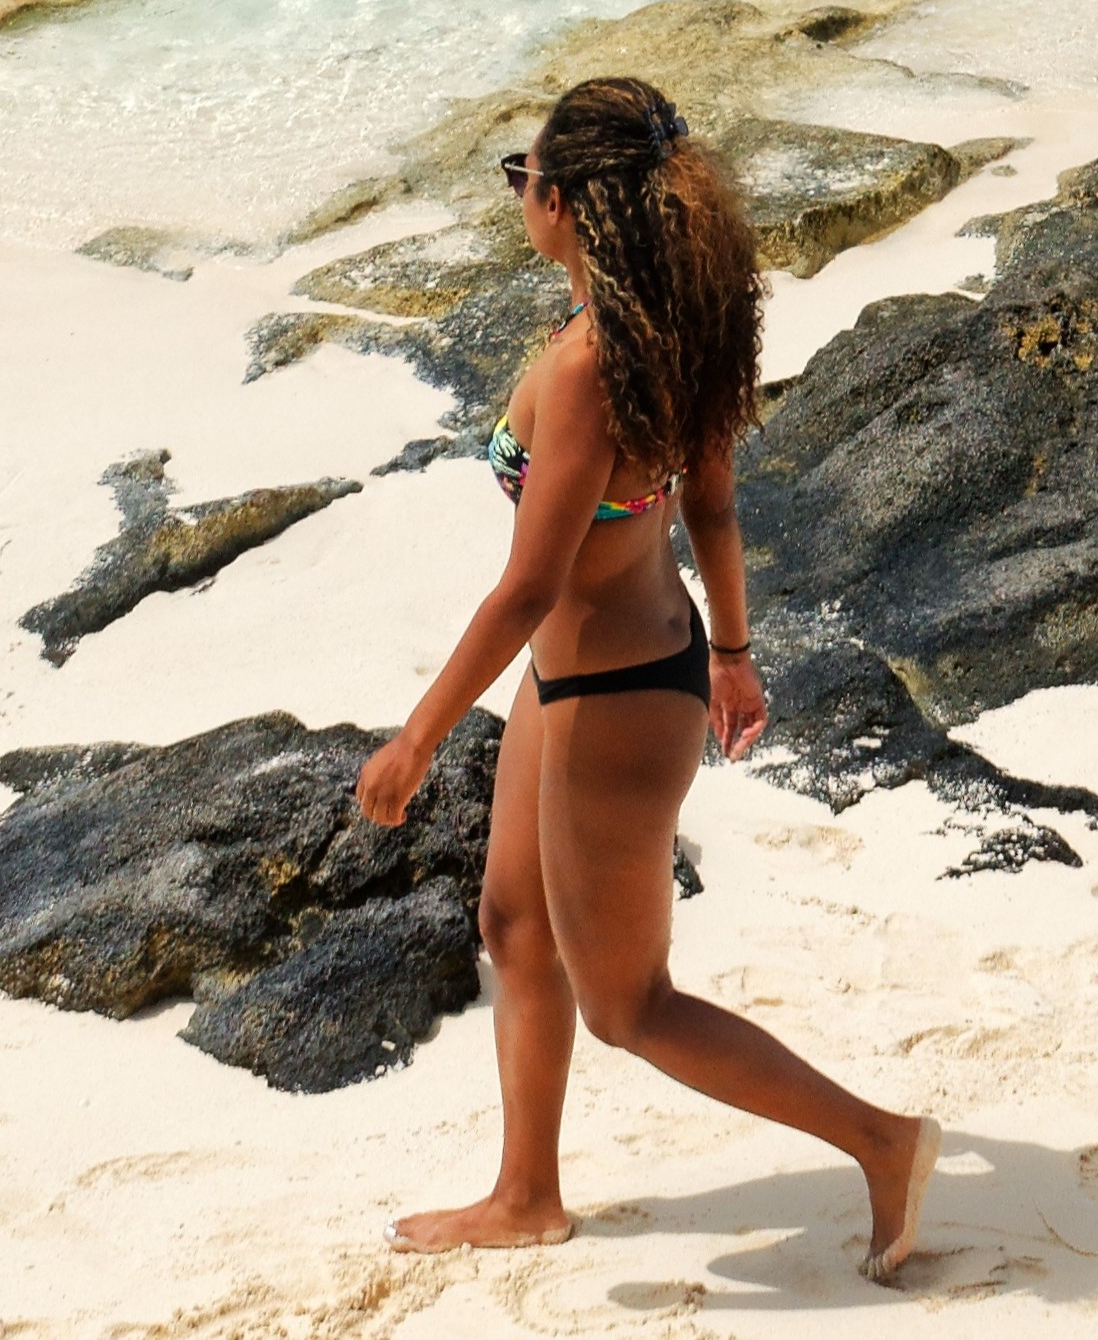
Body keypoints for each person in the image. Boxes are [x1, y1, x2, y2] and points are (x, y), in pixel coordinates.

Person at [351, 76, 933, 1276]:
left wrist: (414, 737)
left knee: (630, 1004)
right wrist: (730, 649)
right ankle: (526, 1191)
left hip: (612, 700)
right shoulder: (680, 317)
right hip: (607, 675)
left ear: (561, 201)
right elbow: (711, 503)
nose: (520, 195)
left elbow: (525, 585)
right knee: (515, 923)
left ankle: (881, 1141)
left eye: (523, 177)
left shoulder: (586, 364)